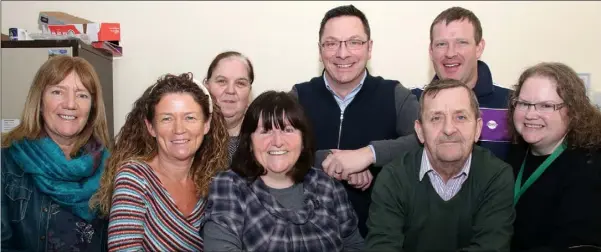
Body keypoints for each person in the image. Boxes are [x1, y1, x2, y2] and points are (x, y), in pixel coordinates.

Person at [290, 4, 420, 238]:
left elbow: (425, 142)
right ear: (320, 50)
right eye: (332, 44)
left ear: (369, 48)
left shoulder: (395, 95)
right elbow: (274, 150)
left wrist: (369, 155)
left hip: (380, 238)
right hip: (306, 237)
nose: (342, 53)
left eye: (354, 42)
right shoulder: (299, 96)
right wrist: (333, 161)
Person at [202, 91, 364, 252]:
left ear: (303, 140)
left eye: (288, 130)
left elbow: (355, 246)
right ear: (249, 142)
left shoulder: (328, 185)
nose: (277, 142)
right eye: (265, 131)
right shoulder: (229, 186)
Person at [365, 79, 515, 251]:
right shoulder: (393, 178)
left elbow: (491, 248)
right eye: (436, 118)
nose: (449, 129)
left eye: (460, 117)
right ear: (420, 131)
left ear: (478, 129)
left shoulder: (496, 176)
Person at [91, 73, 229, 251]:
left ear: (206, 125)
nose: (179, 129)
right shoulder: (134, 177)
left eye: (190, 118)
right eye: (166, 118)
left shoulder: (213, 181)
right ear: (151, 127)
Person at [1, 55, 111, 251]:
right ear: (40, 101)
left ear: (92, 107)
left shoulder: (112, 166)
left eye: (82, 95)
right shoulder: (6, 162)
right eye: (58, 92)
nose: (70, 104)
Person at [507, 62, 601, 251]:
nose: (531, 115)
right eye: (524, 104)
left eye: (546, 106)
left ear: (573, 111)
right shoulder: (516, 153)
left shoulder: (590, 166)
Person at [410, 6, 513, 161]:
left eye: (461, 43)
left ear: (479, 48)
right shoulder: (411, 101)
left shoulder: (511, 104)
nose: (450, 53)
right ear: (431, 51)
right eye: (441, 44)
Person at [203, 51, 254, 164]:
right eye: (222, 81)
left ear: (249, 92)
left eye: (240, 83)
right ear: (207, 86)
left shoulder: (262, 141)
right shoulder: (189, 138)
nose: (230, 90)